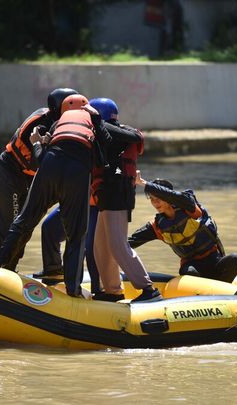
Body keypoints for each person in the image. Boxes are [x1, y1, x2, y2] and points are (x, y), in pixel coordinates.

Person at [0, 94, 112, 298]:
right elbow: (103, 151)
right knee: (76, 234)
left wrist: (39, 144)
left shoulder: (57, 124)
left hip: (48, 169)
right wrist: (98, 121)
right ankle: (73, 288)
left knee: (25, 220)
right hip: (62, 173)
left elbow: (42, 158)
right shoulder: (92, 123)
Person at [0, 88, 78, 269]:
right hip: (11, 172)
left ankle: (8, 269)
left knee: (25, 229)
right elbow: (39, 162)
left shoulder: (64, 125)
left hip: (34, 178)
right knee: (8, 228)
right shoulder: (39, 125)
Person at [89, 98, 161, 303]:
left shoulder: (119, 134)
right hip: (106, 195)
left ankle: (149, 289)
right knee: (100, 246)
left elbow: (129, 138)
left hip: (117, 193)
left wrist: (96, 122)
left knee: (117, 244)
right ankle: (113, 291)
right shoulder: (101, 134)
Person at [129, 176, 237, 283]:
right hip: (192, 266)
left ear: (168, 197)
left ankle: (221, 292)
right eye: (152, 199)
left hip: (214, 260)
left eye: (158, 198)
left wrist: (144, 183)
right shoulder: (157, 226)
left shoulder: (189, 206)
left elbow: (177, 197)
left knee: (235, 259)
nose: (155, 203)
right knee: (189, 272)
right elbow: (129, 243)